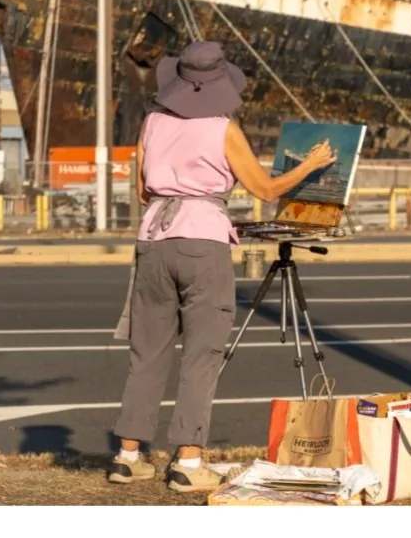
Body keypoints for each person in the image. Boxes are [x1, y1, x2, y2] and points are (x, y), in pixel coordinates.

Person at [108, 40, 334, 493]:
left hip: (152, 239)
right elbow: (266, 190)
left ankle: (128, 457)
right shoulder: (222, 128)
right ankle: (188, 464)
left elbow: (142, 192)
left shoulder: (152, 121)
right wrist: (311, 165)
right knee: (201, 355)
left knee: (147, 353)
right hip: (202, 241)